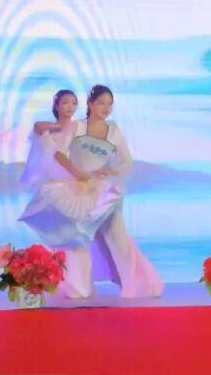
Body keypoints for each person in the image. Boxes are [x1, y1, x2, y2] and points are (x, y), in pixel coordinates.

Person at [19, 85, 163, 298]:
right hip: (80, 189)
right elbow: (59, 154)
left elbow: (126, 161)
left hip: (106, 192)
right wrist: (78, 174)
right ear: (90, 104)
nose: (106, 108)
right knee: (79, 237)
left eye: (109, 104)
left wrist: (110, 170)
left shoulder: (113, 130)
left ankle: (138, 285)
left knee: (117, 236)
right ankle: (79, 287)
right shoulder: (77, 126)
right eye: (101, 103)